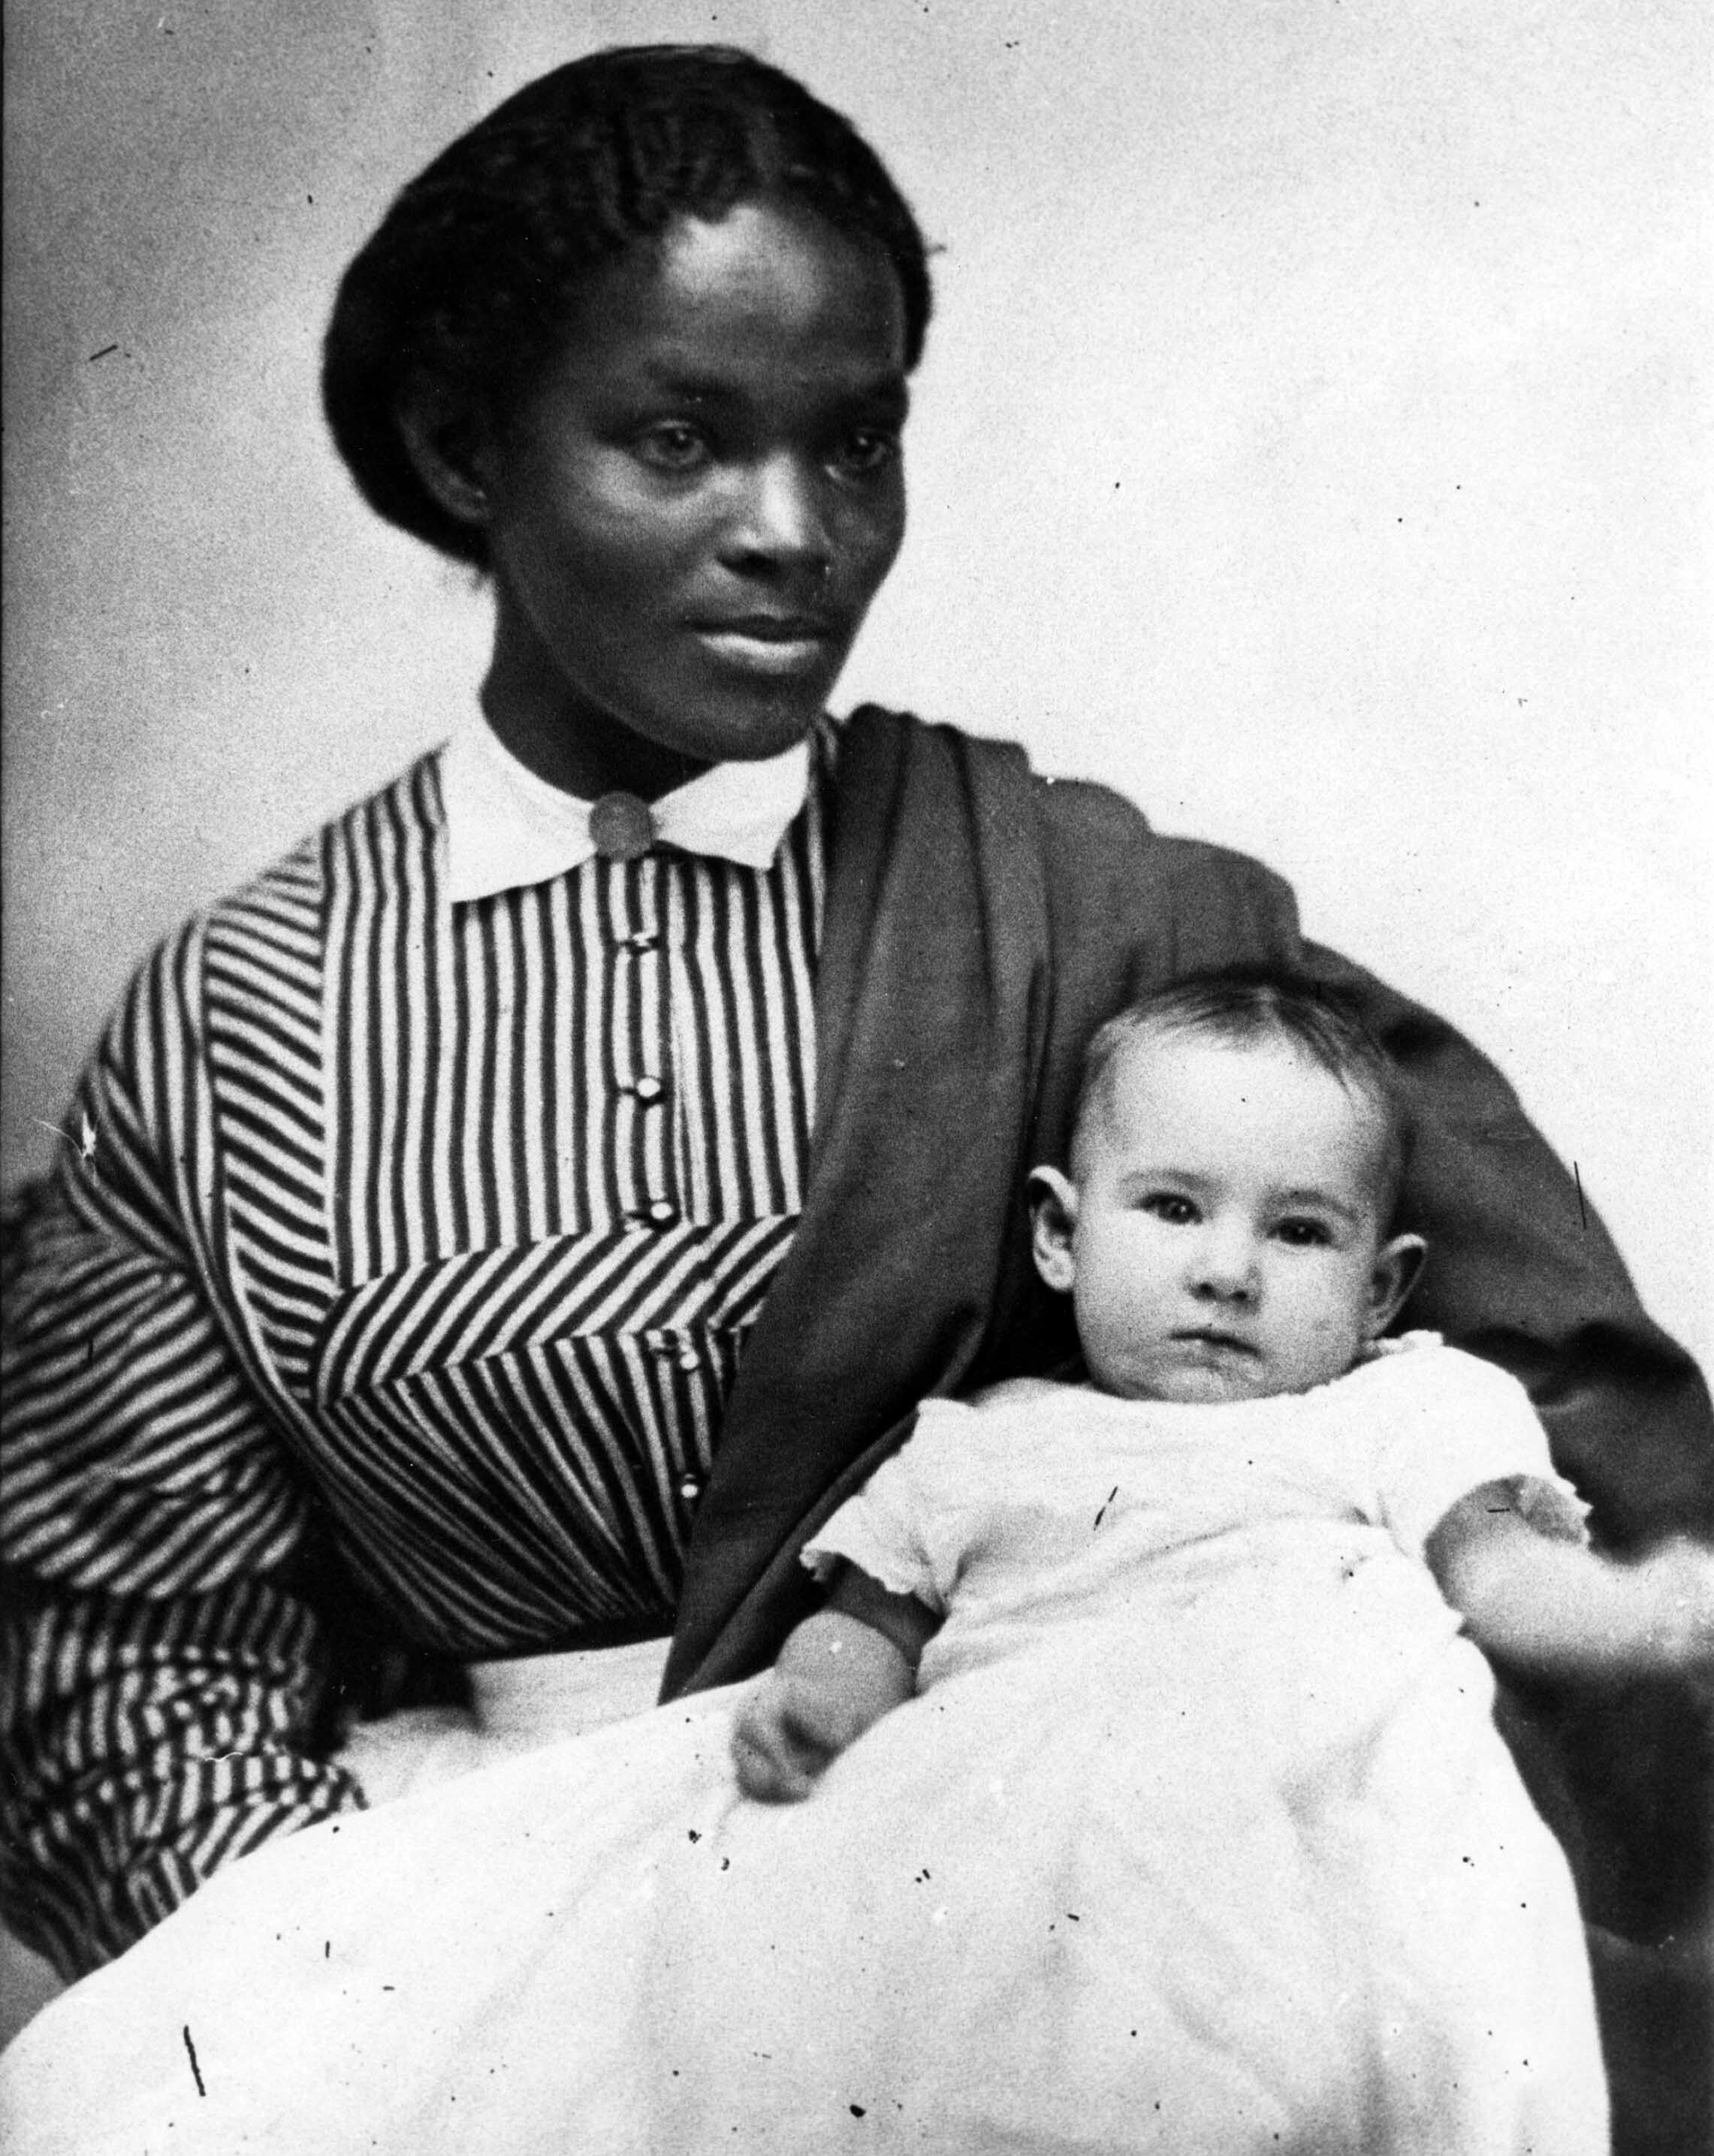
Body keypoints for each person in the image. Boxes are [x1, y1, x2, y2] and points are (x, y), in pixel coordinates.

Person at [0, 38, 1709, 2143]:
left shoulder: (1085, 910)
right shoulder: (237, 1021)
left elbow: (1535, 1389)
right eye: (679, 440)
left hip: (1014, 1958)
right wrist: (400, 2004)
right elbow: (124, 1636)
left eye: (860, 442)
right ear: (467, 448)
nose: (795, 531)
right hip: (444, 1967)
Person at [5, 970, 1707, 2153]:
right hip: (994, 1798)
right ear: (1057, 1230)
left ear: (1384, 1286)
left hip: (1288, 1807)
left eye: (1299, 1232)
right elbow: (870, 1614)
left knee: (1290, 2055)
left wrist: (1635, 1611)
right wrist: (819, 1700)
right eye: (1172, 1209)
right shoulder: (987, 1438)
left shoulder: (1397, 1407)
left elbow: (1494, 1571)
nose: (1228, 1274)